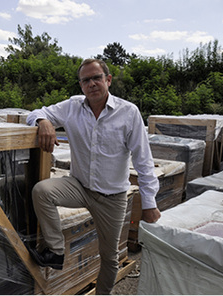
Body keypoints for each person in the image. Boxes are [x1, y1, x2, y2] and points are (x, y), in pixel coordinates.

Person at [26, 58, 161, 295]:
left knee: (109, 258)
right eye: (86, 80)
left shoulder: (128, 113)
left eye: (97, 78)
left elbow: (143, 161)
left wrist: (149, 203)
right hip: (79, 186)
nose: (92, 84)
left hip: (112, 197)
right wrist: (43, 121)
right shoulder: (72, 107)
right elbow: (37, 112)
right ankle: (56, 251)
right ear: (81, 86)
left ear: (108, 80)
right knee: (42, 191)